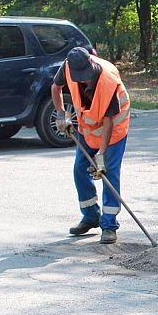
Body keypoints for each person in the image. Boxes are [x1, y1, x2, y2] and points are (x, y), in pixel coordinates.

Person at [50, 48, 131, 245]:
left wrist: (101, 157)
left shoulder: (108, 81)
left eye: (86, 77)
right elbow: (55, 87)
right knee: (79, 169)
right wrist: (61, 113)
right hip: (87, 128)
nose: (84, 81)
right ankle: (90, 216)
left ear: (91, 66)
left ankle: (109, 225)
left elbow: (108, 122)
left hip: (113, 130)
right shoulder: (68, 67)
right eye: (81, 78)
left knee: (109, 173)